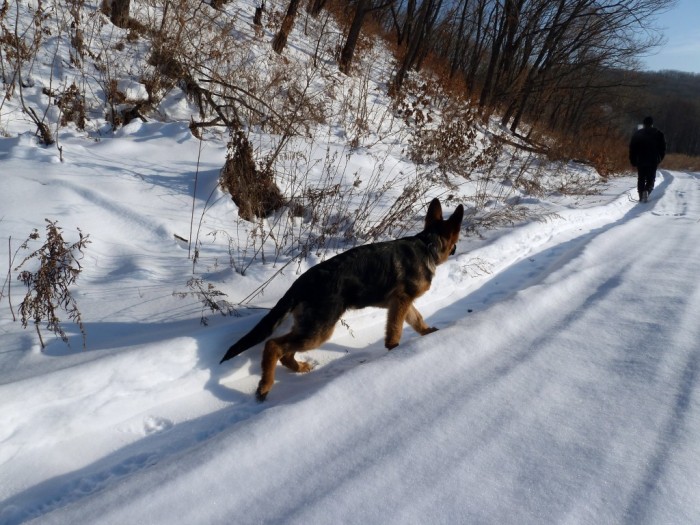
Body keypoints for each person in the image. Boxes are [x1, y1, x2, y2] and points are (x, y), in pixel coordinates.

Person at [629, 116, 666, 203]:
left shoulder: (638, 134)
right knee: (650, 179)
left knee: (641, 178)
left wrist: (633, 160)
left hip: (640, 159)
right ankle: (647, 190)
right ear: (652, 124)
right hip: (653, 160)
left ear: (644, 123)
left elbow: (632, 148)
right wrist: (659, 158)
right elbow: (663, 148)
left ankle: (641, 195)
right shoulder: (659, 134)